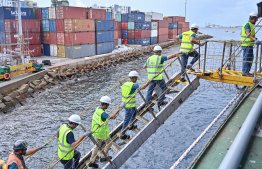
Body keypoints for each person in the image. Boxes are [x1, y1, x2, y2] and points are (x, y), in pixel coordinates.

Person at [89, 96, 120, 168]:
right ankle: (103, 157)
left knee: (96, 146)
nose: (108, 106)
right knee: (109, 142)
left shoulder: (97, 109)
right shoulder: (103, 113)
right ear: (105, 104)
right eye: (108, 104)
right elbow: (112, 117)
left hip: (96, 131)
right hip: (102, 133)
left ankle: (91, 161)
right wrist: (118, 111)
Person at [120, 71, 146, 140]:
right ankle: (122, 134)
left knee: (135, 112)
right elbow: (142, 87)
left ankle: (131, 125)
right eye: (136, 78)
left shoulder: (125, 84)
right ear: (134, 78)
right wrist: (149, 82)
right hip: (129, 106)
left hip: (125, 104)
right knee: (127, 119)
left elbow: (121, 93)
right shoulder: (133, 85)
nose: (136, 79)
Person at [241, 12, 261, 77]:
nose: (257, 20)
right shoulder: (248, 24)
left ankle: (247, 72)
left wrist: (254, 38)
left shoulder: (249, 24)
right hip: (247, 45)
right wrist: (254, 39)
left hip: (249, 44)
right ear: (254, 18)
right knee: (247, 58)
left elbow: (241, 32)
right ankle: (245, 72)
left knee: (250, 58)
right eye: (256, 19)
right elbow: (247, 33)